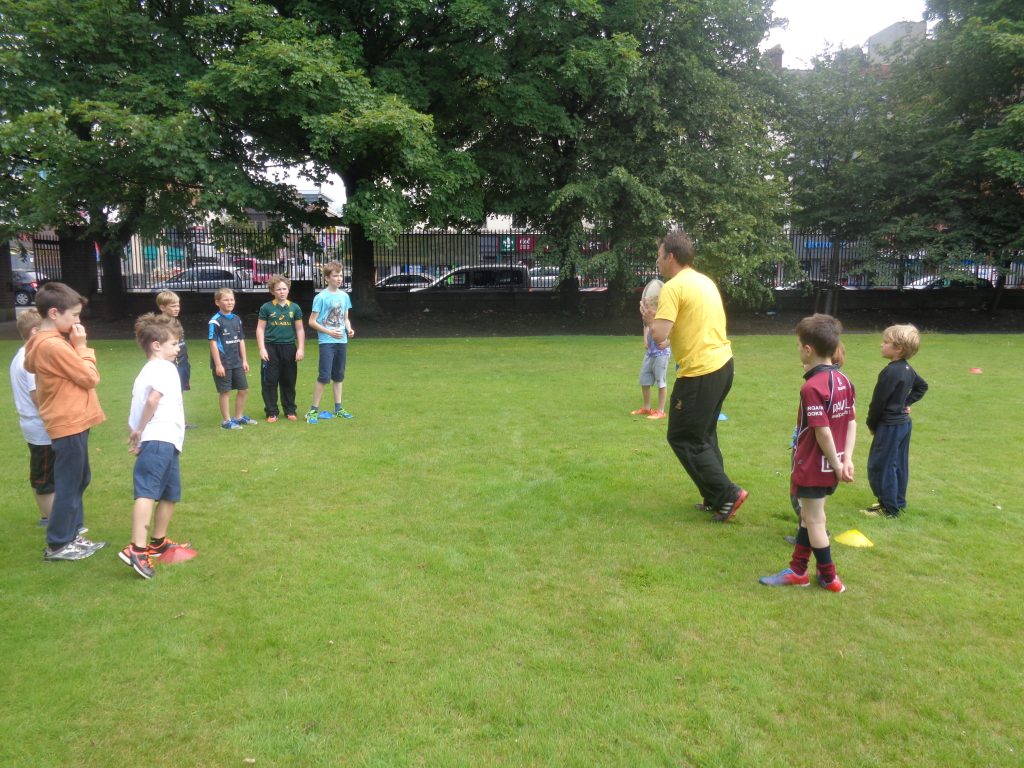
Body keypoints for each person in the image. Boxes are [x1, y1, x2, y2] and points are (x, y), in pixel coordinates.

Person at [640, 230, 747, 521]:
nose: (658, 260)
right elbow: (668, 340)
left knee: (682, 435)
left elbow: (659, 336)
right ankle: (716, 498)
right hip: (724, 366)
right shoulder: (704, 281)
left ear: (670, 256)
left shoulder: (673, 287)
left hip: (701, 371)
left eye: (659, 254)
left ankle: (728, 494)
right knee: (704, 433)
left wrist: (650, 319)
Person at [760, 314, 855, 593]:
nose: (798, 348)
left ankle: (829, 577)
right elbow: (851, 421)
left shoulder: (811, 387)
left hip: (814, 464)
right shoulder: (844, 380)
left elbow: (822, 431)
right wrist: (845, 458)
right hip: (832, 463)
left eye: (799, 344)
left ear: (808, 350)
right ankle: (798, 569)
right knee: (808, 515)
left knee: (814, 520)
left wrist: (838, 464)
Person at [23, 282, 108, 561]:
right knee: (70, 482)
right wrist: (82, 348)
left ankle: (72, 535)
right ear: (54, 313)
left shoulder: (54, 343)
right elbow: (89, 377)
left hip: (75, 421)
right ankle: (59, 544)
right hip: (67, 422)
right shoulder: (52, 346)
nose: (78, 321)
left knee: (80, 478)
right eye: (74, 316)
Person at [119, 313, 193, 579]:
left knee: (171, 493)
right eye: (174, 344)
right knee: (147, 492)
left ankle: (158, 542)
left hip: (166, 440)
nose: (177, 349)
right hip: (159, 438)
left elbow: (137, 406)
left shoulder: (148, 371)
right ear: (156, 345)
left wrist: (137, 433)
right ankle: (136, 549)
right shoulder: (163, 368)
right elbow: (152, 401)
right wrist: (140, 432)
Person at [863, 324, 928, 518]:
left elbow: (878, 403)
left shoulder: (890, 372)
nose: (881, 345)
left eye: (885, 342)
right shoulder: (908, 369)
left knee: (881, 464)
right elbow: (922, 386)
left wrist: (871, 424)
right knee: (898, 463)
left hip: (890, 425)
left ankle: (889, 508)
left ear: (898, 348)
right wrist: (906, 402)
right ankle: (897, 501)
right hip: (903, 424)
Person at [9, 308, 55, 527]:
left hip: (33, 425)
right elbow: (37, 396)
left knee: (41, 472)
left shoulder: (21, 354)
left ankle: (48, 517)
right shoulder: (29, 359)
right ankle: (57, 525)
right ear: (35, 331)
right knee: (45, 477)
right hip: (40, 427)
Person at [305, 261, 355, 425]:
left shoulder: (344, 296)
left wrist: (349, 329)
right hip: (326, 342)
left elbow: (345, 318)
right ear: (327, 278)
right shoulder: (320, 297)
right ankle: (313, 410)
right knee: (324, 376)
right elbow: (312, 321)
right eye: (335, 276)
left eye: (341, 275)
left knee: (338, 377)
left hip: (342, 341)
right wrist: (329, 332)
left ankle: (338, 408)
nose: (339, 278)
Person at [256, 275, 305, 422]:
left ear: (288, 290)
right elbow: (260, 329)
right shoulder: (266, 307)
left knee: (289, 380)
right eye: (278, 289)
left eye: (284, 289)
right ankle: (271, 411)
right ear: (272, 291)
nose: (282, 292)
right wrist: (262, 348)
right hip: (271, 348)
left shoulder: (295, 307)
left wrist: (300, 348)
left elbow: (300, 330)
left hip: (289, 348)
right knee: (269, 381)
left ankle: (290, 410)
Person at [208, 287, 256, 429]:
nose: (230, 302)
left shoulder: (236, 319)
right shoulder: (215, 322)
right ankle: (226, 421)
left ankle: (239, 417)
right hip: (223, 363)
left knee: (243, 389)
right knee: (225, 392)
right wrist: (218, 364)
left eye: (232, 299)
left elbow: (241, 340)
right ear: (217, 302)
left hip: (237, 362)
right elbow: (213, 343)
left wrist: (244, 360)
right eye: (226, 300)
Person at [156, 290, 196, 429]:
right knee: (168, 394)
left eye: (178, 305)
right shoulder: (160, 325)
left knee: (179, 393)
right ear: (162, 307)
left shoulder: (176, 322)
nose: (177, 308)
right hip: (170, 364)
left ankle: (180, 421)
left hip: (183, 363)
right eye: (173, 306)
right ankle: (168, 421)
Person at [630, 320, 671, 420]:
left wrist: (668, 342)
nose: (644, 309)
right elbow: (646, 326)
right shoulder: (647, 316)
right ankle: (646, 408)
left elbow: (676, 330)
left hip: (662, 354)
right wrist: (645, 340)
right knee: (644, 380)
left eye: (647, 306)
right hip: (649, 353)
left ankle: (661, 411)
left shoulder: (664, 316)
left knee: (660, 382)